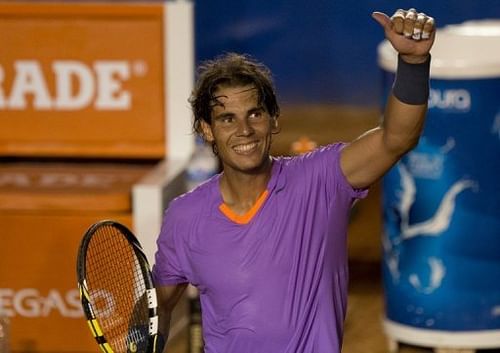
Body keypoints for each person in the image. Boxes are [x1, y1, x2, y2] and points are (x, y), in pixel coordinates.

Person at [153, 8, 436, 353]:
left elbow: (397, 138)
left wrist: (412, 64)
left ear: (274, 121)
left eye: (255, 114)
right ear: (207, 131)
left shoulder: (322, 179)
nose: (244, 130)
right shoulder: (184, 217)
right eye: (227, 119)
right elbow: (160, 306)